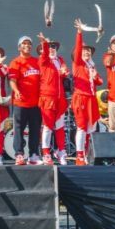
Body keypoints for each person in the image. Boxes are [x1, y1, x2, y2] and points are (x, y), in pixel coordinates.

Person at [71, 20, 103, 166]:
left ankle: (87, 153)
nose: (86, 52)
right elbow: (78, 49)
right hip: (81, 98)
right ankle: (79, 156)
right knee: (82, 127)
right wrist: (79, 33)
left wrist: (95, 76)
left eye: (88, 51)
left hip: (91, 99)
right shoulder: (77, 64)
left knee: (91, 128)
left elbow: (100, 82)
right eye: (84, 51)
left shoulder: (91, 66)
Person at [8, 36, 43, 165]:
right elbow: (12, 80)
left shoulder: (37, 61)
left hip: (36, 103)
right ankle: (19, 154)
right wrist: (16, 90)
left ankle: (33, 155)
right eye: (24, 43)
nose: (27, 45)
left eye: (29, 43)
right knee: (18, 129)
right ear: (19, 47)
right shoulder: (15, 62)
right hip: (20, 102)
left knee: (35, 129)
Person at [37, 33, 69, 165]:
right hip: (47, 97)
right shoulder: (43, 60)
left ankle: (61, 151)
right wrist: (45, 43)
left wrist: (63, 73)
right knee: (48, 127)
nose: (51, 48)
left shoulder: (60, 60)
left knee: (60, 127)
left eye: (54, 46)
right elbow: (45, 54)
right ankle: (46, 153)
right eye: (49, 46)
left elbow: (64, 73)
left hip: (60, 98)